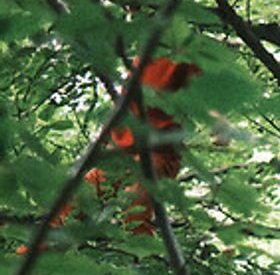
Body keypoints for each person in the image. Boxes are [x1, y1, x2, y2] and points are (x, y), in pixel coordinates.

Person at [51, 56, 200, 238]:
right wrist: (105, 138)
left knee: (135, 213)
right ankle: (26, 260)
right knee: (71, 205)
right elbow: (123, 105)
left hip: (158, 153)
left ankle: (144, 260)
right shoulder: (141, 60)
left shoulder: (186, 57)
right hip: (120, 157)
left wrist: (221, 126)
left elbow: (208, 95)